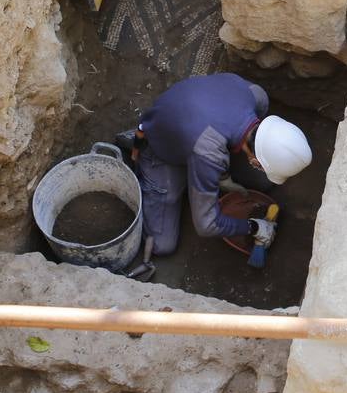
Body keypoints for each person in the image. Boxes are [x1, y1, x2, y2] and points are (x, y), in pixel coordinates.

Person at [116, 73, 312, 256]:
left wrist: (223, 177)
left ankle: (186, 154)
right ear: (255, 158)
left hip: (189, 120)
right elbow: (206, 224)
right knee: (162, 245)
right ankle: (138, 146)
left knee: (263, 182)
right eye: (260, 165)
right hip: (162, 145)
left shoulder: (256, 96)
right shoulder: (208, 152)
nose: (257, 166)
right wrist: (253, 227)